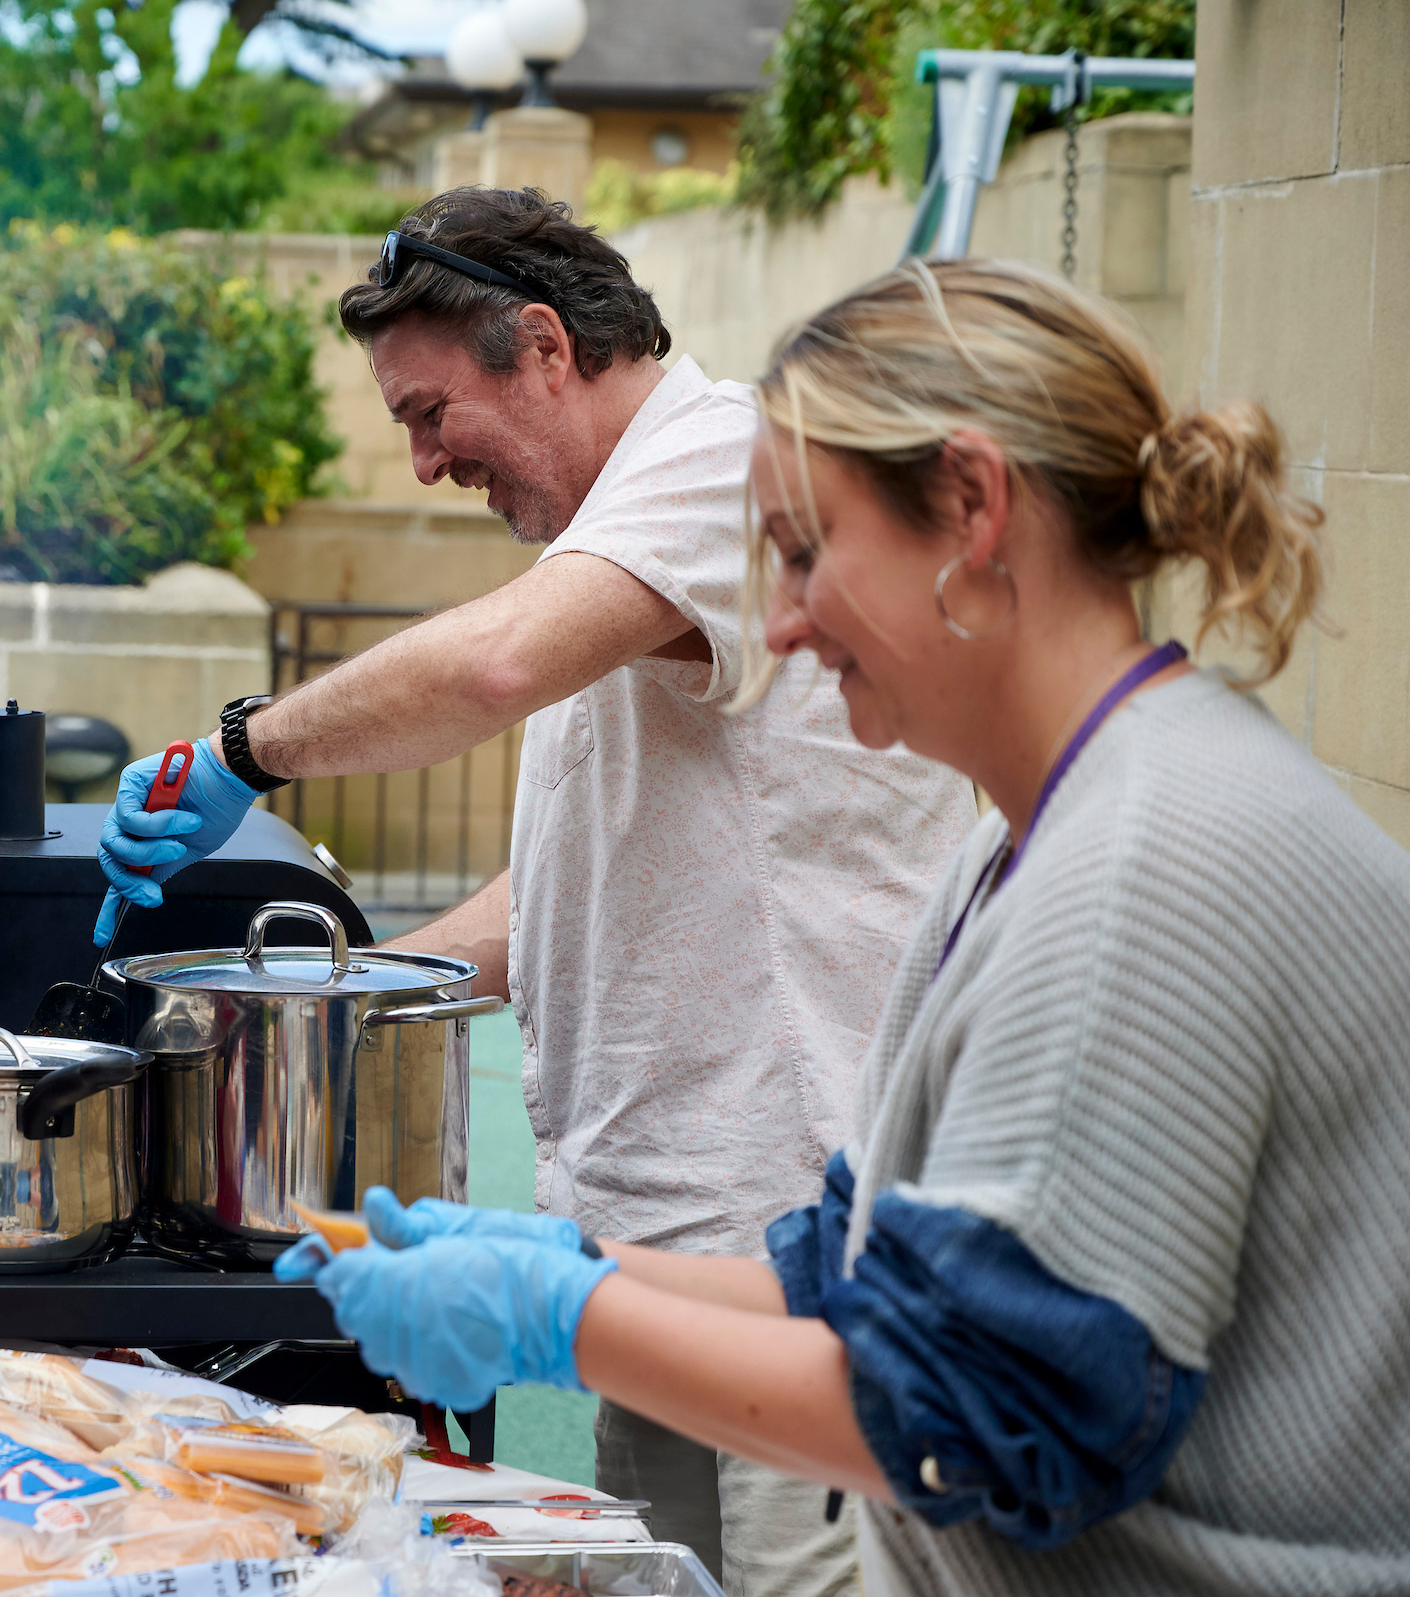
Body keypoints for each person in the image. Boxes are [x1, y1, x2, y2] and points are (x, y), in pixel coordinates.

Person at [278, 258, 1410, 1597]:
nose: (786, 621)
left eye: (809, 551)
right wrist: (574, 1262)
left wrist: (562, 1317)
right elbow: (856, 1281)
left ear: (975, 511)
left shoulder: (1143, 871)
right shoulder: (1023, 849)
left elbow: (976, 1415)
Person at [94, 187, 972, 1594]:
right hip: (660, 1245)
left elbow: (490, 667)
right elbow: (576, 880)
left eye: (432, 413)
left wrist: (246, 752)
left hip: (792, 1232)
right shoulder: (616, 534)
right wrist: (326, 995)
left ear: (548, 347)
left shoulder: (719, 457)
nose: (430, 465)